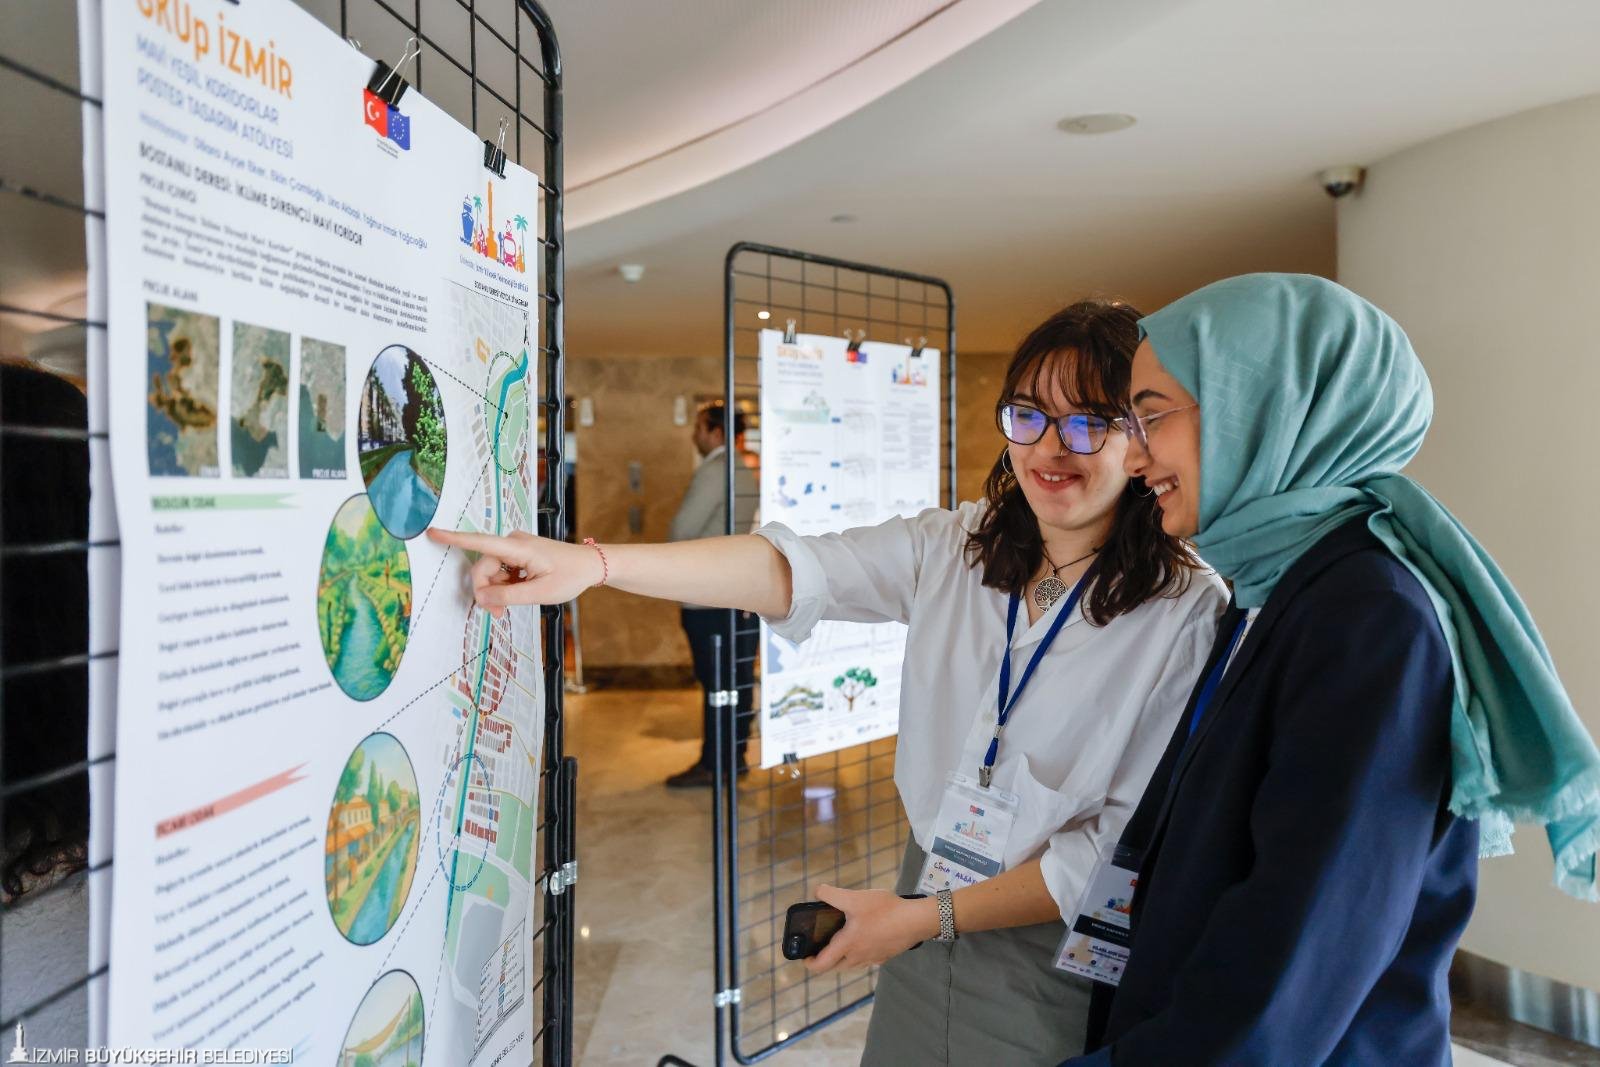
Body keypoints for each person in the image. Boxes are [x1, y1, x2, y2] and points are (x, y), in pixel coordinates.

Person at [432, 301, 1228, 1064]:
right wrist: (595, 565)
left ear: (1138, 439)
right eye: (1028, 415)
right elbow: (793, 568)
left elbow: (1107, 848)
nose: (1050, 447)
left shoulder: (1186, 609)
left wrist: (924, 918)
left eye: (1087, 422)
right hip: (927, 879)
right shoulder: (959, 545)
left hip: (1048, 935)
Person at [1065, 274, 1600, 1066]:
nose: (1134, 455)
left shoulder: (1370, 615)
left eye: (1152, 416)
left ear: (1265, 409)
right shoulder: (1273, 586)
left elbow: (1299, 949)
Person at [664, 401, 759, 788]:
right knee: (737, 681)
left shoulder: (715, 470)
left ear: (716, 432)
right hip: (739, 594)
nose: (694, 434)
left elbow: (681, 530)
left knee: (716, 683)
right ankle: (734, 759)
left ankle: (713, 765)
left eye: (699, 427)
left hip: (707, 597)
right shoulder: (744, 471)